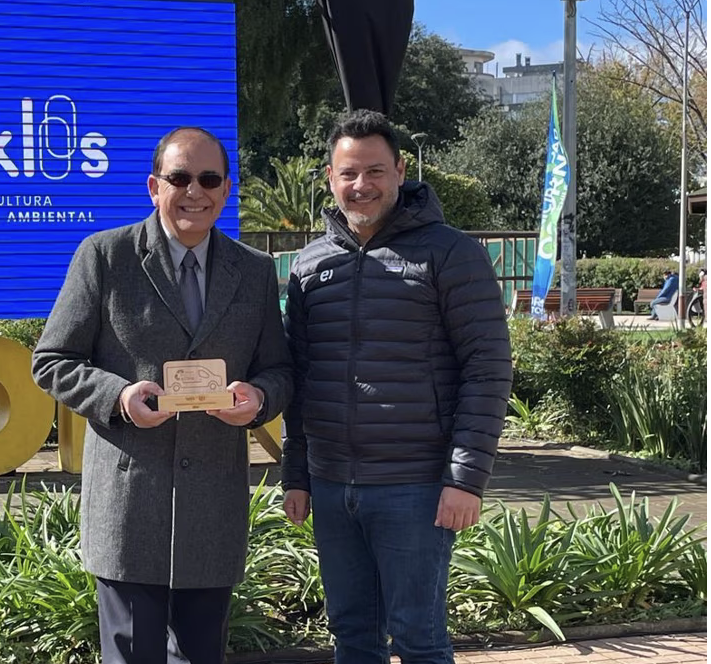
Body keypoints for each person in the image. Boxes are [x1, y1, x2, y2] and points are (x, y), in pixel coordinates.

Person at [32, 127, 294, 664]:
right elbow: (52, 361)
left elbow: (279, 369)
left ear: (226, 190)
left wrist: (260, 397)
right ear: (154, 187)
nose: (194, 191)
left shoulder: (254, 270)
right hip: (130, 507)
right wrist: (118, 396)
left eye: (209, 179)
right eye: (180, 178)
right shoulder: (105, 256)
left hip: (213, 507)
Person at [281, 110, 513, 664]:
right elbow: (299, 377)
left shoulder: (451, 254)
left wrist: (465, 480)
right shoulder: (309, 265)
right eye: (348, 173)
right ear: (331, 179)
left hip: (416, 486)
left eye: (375, 171)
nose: (361, 185)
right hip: (332, 486)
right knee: (351, 636)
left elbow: (487, 369)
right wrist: (298, 474)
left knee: (419, 638)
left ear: (401, 171)